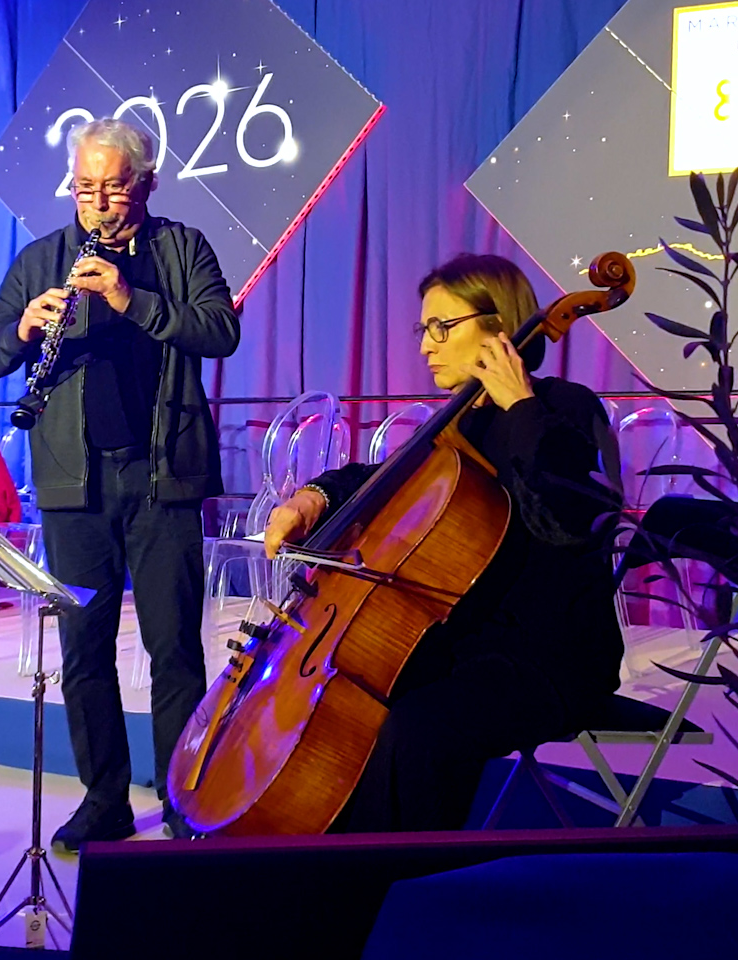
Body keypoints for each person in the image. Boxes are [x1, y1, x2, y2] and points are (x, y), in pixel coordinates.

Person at [262, 253, 627, 832]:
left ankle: (406, 875)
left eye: (442, 327)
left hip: (550, 657)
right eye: (423, 328)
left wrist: (520, 406)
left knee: (418, 727)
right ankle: (324, 862)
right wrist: (313, 497)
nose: (426, 345)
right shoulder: (458, 425)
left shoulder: (565, 408)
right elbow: (381, 477)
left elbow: (571, 521)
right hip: (468, 642)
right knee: (355, 704)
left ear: (499, 326)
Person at [0, 118, 239, 850]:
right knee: (84, 652)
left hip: (161, 479)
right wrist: (22, 330)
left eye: (113, 188)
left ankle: (184, 799)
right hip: (74, 487)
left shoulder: (182, 248)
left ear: (146, 185)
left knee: (173, 648)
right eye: (84, 188)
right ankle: (104, 800)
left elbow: (220, 331)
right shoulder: (42, 258)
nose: (97, 202)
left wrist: (130, 299)